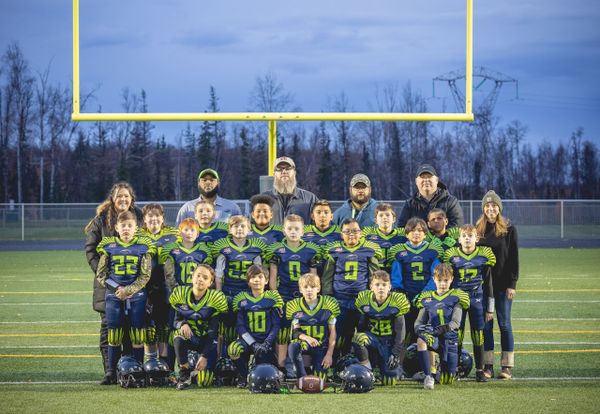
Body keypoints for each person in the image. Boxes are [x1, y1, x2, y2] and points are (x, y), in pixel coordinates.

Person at [84, 181, 144, 384]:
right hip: (108, 286)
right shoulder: (101, 220)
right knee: (109, 328)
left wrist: (133, 285)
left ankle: (128, 369)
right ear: (113, 198)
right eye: (120, 196)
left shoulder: (140, 217)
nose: (123, 200)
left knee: (130, 329)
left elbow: (144, 246)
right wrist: (109, 279)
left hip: (134, 286)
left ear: (131, 198)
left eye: (127, 196)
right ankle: (109, 371)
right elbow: (90, 250)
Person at [95, 211, 156, 383]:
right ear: (116, 227)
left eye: (130, 226)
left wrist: (128, 290)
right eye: (123, 226)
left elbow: (145, 275)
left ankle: (137, 371)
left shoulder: (143, 246)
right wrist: (117, 289)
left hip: (136, 295)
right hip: (114, 296)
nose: (126, 229)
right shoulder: (109, 246)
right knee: (114, 334)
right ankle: (111, 373)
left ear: (136, 228)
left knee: (137, 334)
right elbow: (101, 274)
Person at [321, 218, 383, 354]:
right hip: (339, 299)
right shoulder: (334, 251)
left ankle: (363, 363)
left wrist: (372, 297)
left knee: (362, 332)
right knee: (338, 331)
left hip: (361, 298)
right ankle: (336, 362)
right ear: (341, 234)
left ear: (361, 233)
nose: (351, 234)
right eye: (347, 231)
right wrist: (327, 298)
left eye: (355, 231)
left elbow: (374, 276)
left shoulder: (368, 250)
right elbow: (327, 277)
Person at [268, 214, 321, 372]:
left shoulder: (310, 250)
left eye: (296, 229)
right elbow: (273, 276)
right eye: (289, 228)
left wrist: (315, 297)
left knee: (305, 327)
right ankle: (282, 366)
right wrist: (275, 297)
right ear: (283, 230)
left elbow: (314, 277)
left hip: (305, 295)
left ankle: (304, 366)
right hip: (284, 294)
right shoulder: (277, 250)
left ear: (302, 231)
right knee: (283, 331)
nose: (293, 231)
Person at [444, 224, 496, 382]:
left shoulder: (483, 255)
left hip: (476, 299)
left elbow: (488, 284)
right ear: (459, 239)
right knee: (457, 335)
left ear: (476, 238)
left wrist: (490, 309)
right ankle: (455, 369)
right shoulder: (452, 255)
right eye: (464, 236)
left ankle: (480, 370)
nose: (467, 238)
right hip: (458, 299)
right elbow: (449, 282)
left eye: (470, 235)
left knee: (477, 335)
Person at [476, 190, 519, 380]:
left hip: (502, 286)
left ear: (499, 208)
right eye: (487, 206)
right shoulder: (478, 230)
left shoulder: (509, 229)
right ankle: (487, 366)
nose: (490, 209)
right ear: (484, 208)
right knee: (486, 326)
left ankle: (507, 366)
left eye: (494, 206)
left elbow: (513, 259)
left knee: (504, 324)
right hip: (484, 287)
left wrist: (512, 284)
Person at [212, 215, 271, 343]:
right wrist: (218, 291)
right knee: (227, 326)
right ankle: (225, 356)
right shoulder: (224, 248)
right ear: (230, 229)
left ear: (249, 230)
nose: (239, 229)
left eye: (243, 226)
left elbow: (259, 272)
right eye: (236, 226)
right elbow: (219, 273)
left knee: (245, 324)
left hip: (246, 292)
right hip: (229, 291)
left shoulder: (255, 249)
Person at [170, 264, 228, 389]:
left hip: (207, 342)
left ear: (210, 283)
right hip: (192, 338)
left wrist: (204, 356)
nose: (200, 279)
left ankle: (201, 367)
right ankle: (184, 373)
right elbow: (175, 321)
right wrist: (183, 324)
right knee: (178, 335)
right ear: (192, 278)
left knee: (204, 381)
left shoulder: (215, 299)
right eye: (198, 275)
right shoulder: (181, 294)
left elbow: (213, 333)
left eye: (205, 277)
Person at [388, 217, 443, 346]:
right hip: (407, 297)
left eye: (419, 230)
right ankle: (403, 362)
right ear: (406, 234)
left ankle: (431, 363)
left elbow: (435, 276)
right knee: (405, 330)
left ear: (425, 233)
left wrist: (424, 293)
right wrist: (401, 294)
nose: (416, 233)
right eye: (412, 230)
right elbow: (396, 278)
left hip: (427, 296)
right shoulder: (400, 253)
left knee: (428, 329)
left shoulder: (432, 252)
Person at [414, 263, 470, 389]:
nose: (443, 284)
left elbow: (456, 323)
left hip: (449, 339)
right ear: (434, 279)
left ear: (451, 280)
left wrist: (441, 329)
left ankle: (439, 369)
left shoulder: (456, 297)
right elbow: (418, 321)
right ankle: (428, 376)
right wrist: (419, 329)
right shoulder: (427, 298)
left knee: (447, 379)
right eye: (439, 280)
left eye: (446, 280)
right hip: (434, 337)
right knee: (421, 341)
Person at [228, 265, 283, 388]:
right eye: (253, 277)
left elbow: (276, 325)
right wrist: (253, 344)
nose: (257, 280)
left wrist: (267, 343)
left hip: (265, 342)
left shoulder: (272, 298)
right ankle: (243, 375)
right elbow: (240, 326)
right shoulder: (242, 299)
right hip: (249, 341)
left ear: (267, 281)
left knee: (266, 373)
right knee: (233, 349)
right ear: (248, 281)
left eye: (260, 277)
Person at [137, 204, 178, 368]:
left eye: (157, 216)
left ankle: (165, 366)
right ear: (144, 219)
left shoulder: (174, 234)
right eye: (150, 216)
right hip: (144, 287)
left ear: (163, 218)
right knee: (148, 329)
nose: (154, 219)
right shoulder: (137, 235)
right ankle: (151, 363)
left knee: (164, 328)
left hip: (165, 287)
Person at [352, 270, 410, 386]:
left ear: (390, 287)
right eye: (377, 285)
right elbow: (361, 326)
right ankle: (367, 370)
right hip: (373, 339)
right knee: (358, 338)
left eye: (384, 285)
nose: (381, 288)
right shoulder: (364, 300)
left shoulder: (397, 301)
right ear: (371, 287)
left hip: (388, 342)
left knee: (389, 381)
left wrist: (395, 353)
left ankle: (396, 369)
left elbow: (400, 332)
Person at [287, 273, 340, 380]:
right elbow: (295, 332)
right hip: (305, 344)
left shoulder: (328, 304)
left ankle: (316, 369)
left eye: (312, 287)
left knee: (320, 378)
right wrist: (307, 338)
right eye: (305, 287)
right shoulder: (295, 306)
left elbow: (333, 333)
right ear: (300, 290)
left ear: (318, 288)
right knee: (293, 346)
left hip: (321, 347)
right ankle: (300, 376)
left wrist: (329, 354)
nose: (309, 290)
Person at [398, 163, 463, 228]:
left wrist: (436, 237)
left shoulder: (451, 202)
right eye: (422, 177)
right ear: (416, 181)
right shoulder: (410, 204)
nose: (426, 180)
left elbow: (456, 227)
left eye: (429, 176)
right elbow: (402, 228)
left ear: (437, 180)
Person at [262, 156, 318, 225]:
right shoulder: (263, 199)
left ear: (294, 173)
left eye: (288, 168)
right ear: (274, 174)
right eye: (279, 169)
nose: (284, 172)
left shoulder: (310, 199)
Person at [176, 168, 241, 225]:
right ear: (198, 183)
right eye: (204, 180)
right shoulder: (187, 208)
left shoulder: (233, 208)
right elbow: (178, 234)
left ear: (218, 183)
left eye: (212, 180)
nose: (208, 182)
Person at [363, 203, 406, 272]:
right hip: (375, 272)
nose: (384, 217)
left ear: (394, 219)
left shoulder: (403, 234)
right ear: (376, 220)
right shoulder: (367, 233)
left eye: (388, 215)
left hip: (397, 272)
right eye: (381, 215)